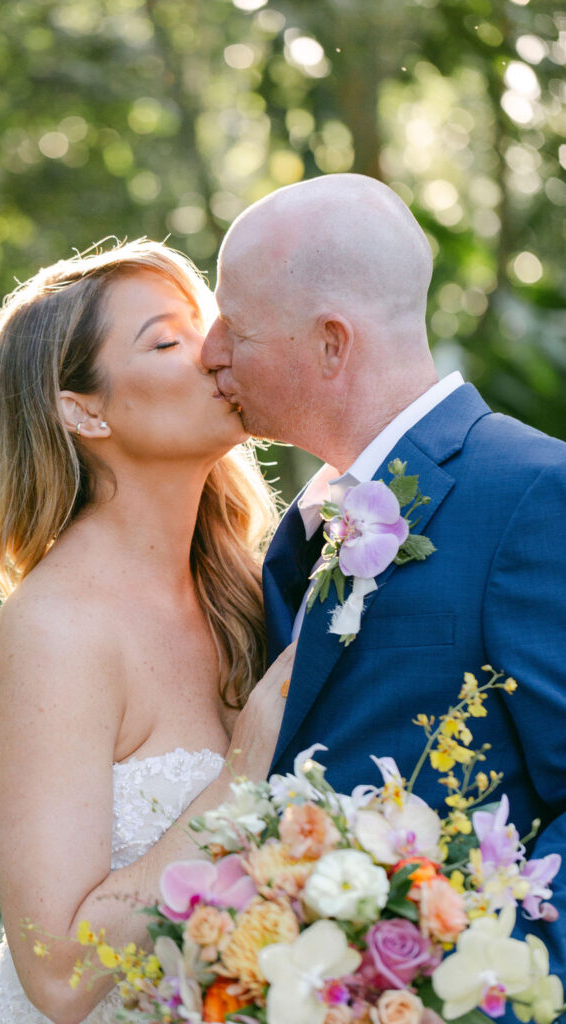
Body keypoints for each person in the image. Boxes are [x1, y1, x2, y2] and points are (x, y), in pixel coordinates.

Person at [202, 172, 566, 980]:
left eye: (235, 327)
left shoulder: (535, 495)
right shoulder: (295, 529)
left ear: (332, 343)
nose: (208, 352)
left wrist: (491, 983)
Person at [0, 239, 295, 1024]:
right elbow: (56, 975)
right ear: (83, 409)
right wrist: (241, 769)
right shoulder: (55, 634)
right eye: (167, 340)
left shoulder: (253, 592)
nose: (216, 354)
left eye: (207, 326)